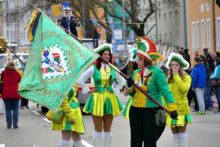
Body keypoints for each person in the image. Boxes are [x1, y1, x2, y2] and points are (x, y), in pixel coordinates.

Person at [124, 37, 178, 147]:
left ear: (146, 60)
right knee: (135, 142)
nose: (136, 61)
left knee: (149, 142)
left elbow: (166, 92)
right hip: (135, 111)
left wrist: (172, 109)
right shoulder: (136, 73)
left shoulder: (158, 73)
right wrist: (129, 85)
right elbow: (131, 93)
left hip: (151, 111)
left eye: (139, 59)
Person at [77, 43, 125, 147]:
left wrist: (114, 89)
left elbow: (122, 82)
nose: (107, 56)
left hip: (109, 99)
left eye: (109, 54)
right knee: (98, 130)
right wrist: (88, 89)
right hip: (97, 99)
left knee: (108, 130)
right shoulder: (94, 68)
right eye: (105, 54)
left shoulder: (113, 68)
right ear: (100, 56)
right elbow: (80, 79)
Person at [165, 52, 192, 147]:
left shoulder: (187, 77)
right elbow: (165, 94)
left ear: (180, 66)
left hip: (181, 109)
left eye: (176, 65)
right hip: (171, 109)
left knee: (182, 135)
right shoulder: (168, 79)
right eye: (172, 65)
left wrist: (176, 75)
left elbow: (184, 89)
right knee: (175, 135)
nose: (174, 67)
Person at [1, 61, 22, 129]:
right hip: (15, 93)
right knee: (16, 109)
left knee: (8, 109)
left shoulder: (3, 72)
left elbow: (2, 79)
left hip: (6, 93)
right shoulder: (17, 73)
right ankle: (15, 124)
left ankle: (8, 124)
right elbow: (19, 80)